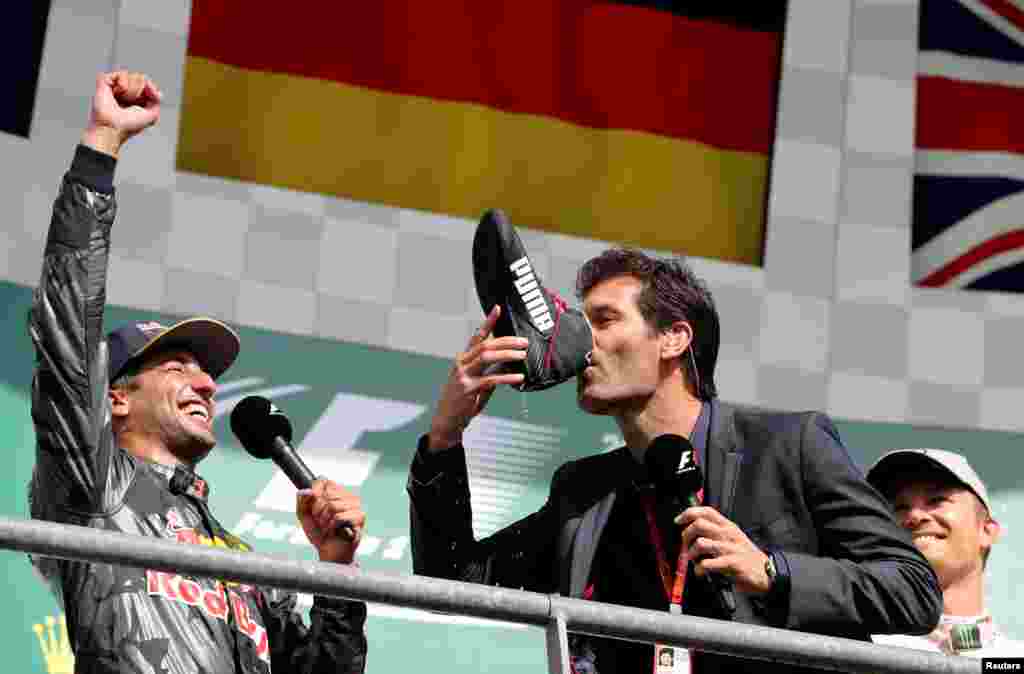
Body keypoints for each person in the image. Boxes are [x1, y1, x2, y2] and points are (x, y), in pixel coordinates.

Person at [408, 246, 942, 673]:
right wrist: (445, 437)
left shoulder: (788, 445)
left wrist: (771, 571)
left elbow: (913, 590)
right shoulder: (583, 490)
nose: (579, 344)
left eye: (603, 321)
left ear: (673, 338)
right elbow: (451, 581)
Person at [28, 71, 368, 674]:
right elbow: (67, 326)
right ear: (115, 398)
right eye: (177, 366)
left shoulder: (244, 563)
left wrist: (338, 573)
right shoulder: (95, 487)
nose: (208, 385)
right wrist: (102, 145)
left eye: (207, 373)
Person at [867, 448, 1024, 657]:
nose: (914, 516)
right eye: (898, 507)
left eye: (936, 500)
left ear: (986, 531)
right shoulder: (855, 648)